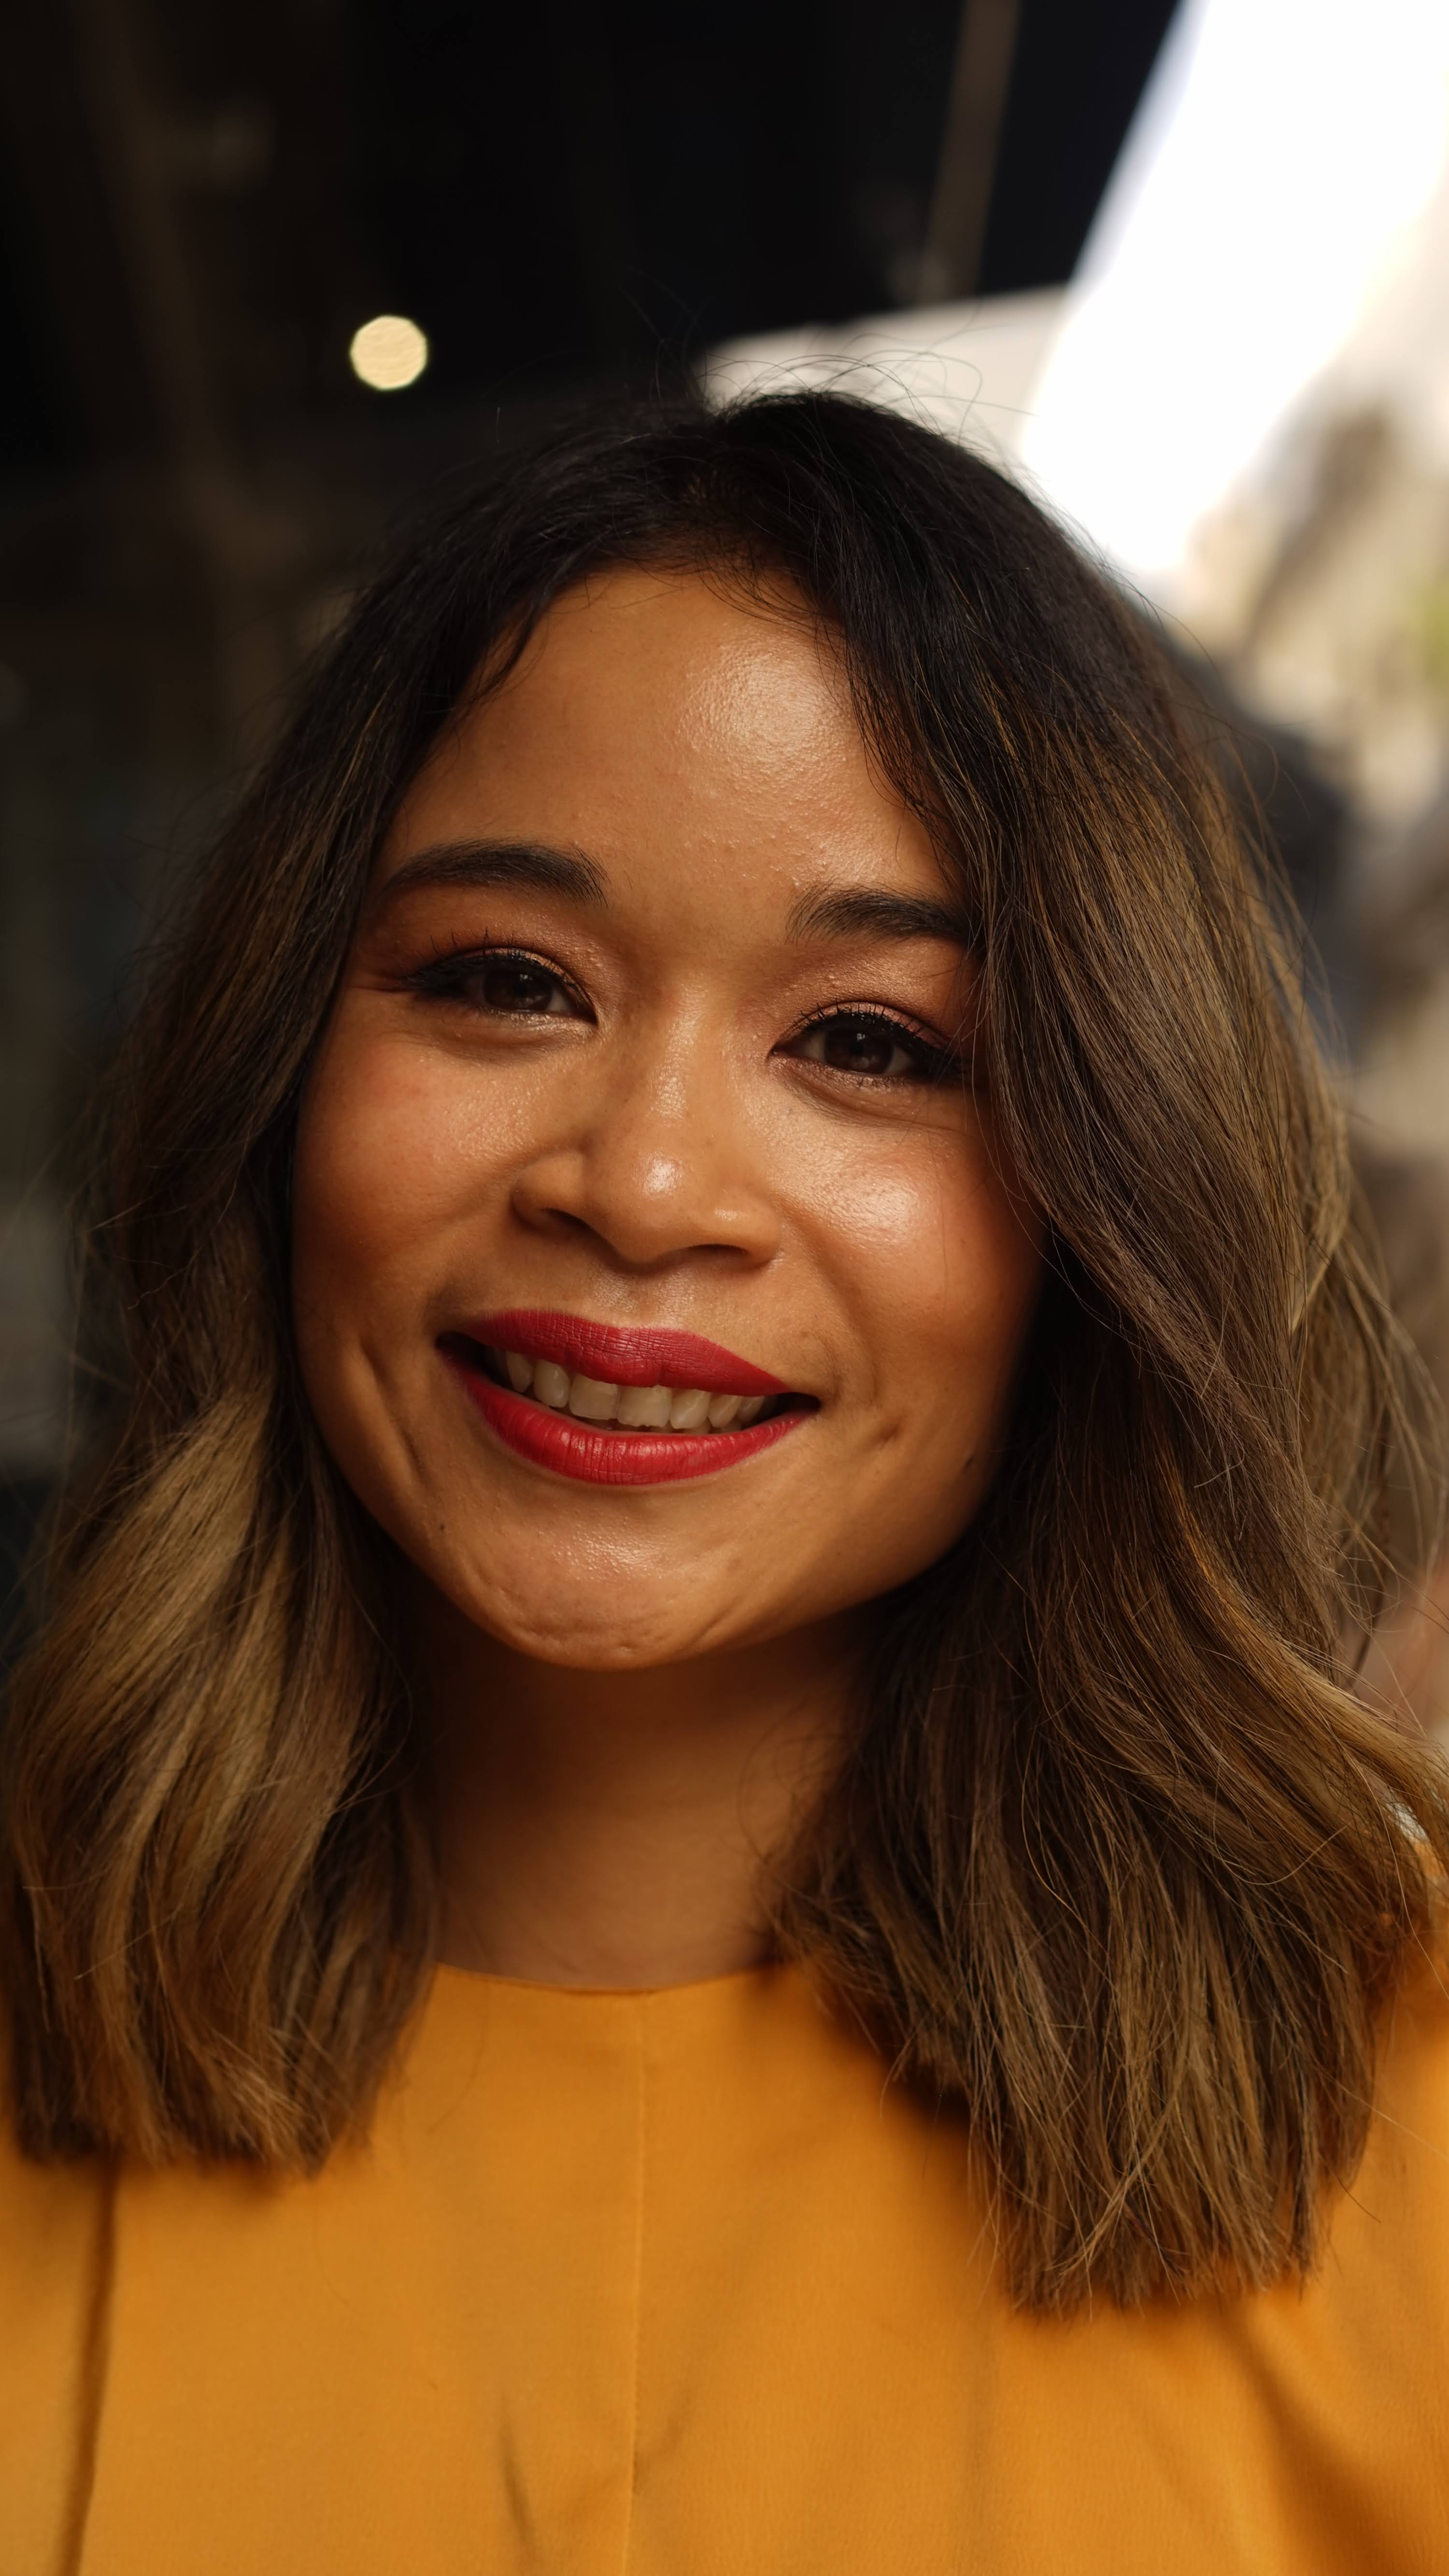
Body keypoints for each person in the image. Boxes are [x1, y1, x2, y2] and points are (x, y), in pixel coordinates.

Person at [3, 392, 1447, 2575]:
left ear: (1104, 1200)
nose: (648, 1182)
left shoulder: (1405, 2128)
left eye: (871, 1040)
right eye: (507, 982)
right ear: (279, 1078)